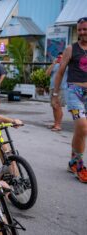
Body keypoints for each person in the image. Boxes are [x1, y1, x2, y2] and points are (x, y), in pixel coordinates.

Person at [52, 17, 87, 183]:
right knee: (82, 126)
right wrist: (55, 95)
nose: (81, 32)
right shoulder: (70, 49)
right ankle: (79, 166)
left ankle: (73, 162)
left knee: (81, 131)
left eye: (85, 29)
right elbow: (60, 72)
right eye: (79, 29)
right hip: (74, 91)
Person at [46, 52, 67, 131]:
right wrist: (53, 63)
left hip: (61, 88)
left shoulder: (67, 66)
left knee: (58, 107)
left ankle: (58, 125)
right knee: (54, 107)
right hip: (52, 87)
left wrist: (63, 63)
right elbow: (47, 74)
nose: (59, 58)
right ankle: (55, 123)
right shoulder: (55, 65)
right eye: (59, 57)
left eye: (61, 57)